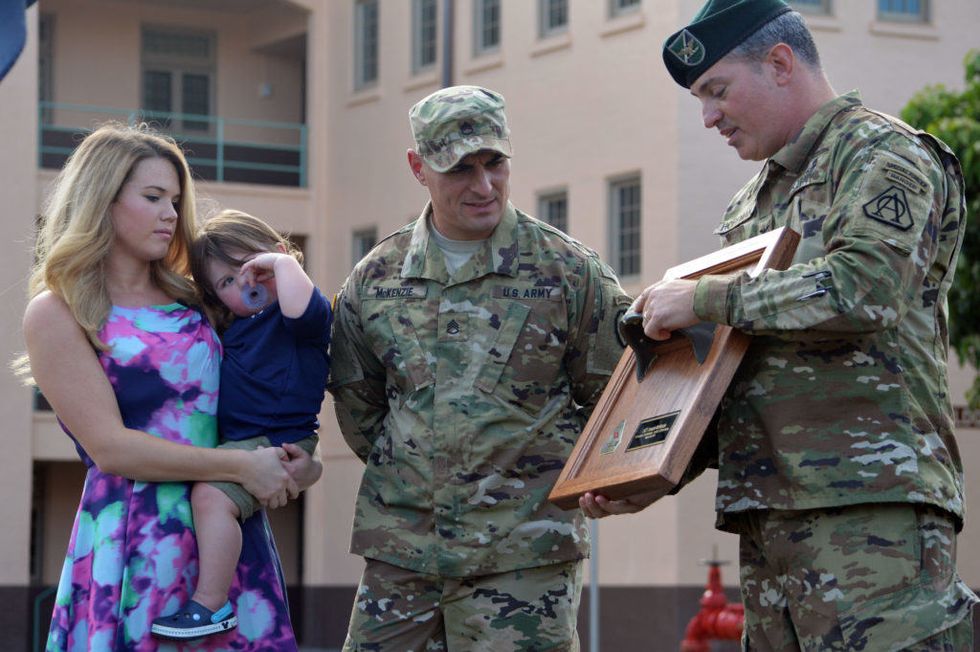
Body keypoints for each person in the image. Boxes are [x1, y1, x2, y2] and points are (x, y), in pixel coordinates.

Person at [580, 1, 978, 650]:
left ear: (780, 63)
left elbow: (866, 290)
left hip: (870, 511)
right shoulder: (752, 202)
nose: (708, 116)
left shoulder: (883, 155)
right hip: (767, 517)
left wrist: (707, 299)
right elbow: (741, 372)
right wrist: (652, 472)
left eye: (717, 90)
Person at [329, 85, 632, 651]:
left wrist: (604, 481)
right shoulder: (376, 279)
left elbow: (618, 390)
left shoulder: (567, 272)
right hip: (403, 550)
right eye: (460, 169)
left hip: (523, 554)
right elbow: (359, 406)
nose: (483, 185)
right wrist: (429, 471)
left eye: (494, 163)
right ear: (419, 167)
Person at [20, 123, 318, 651]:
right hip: (133, 540)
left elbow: (270, 378)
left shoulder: (197, 297)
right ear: (103, 200)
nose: (172, 216)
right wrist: (243, 467)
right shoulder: (59, 312)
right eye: (153, 197)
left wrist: (298, 460)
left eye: (176, 201)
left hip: (226, 538)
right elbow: (110, 449)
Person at [150, 209, 331, 640]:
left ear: (279, 258)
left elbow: (303, 306)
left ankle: (211, 604)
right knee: (211, 500)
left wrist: (283, 266)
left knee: (212, 498)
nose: (245, 283)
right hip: (247, 441)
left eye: (252, 268)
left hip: (274, 441)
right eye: (227, 282)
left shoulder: (296, 320)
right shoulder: (235, 327)